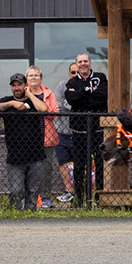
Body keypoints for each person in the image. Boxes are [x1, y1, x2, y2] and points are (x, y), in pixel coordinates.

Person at [0, 73, 48, 210]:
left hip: (36, 155)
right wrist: (12, 103)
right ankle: (15, 216)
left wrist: (30, 95)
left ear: (25, 85)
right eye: (14, 85)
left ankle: (30, 216)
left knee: (33, 191)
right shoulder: (7, 101)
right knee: (16, 191)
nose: (16, 88)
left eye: (19, 85)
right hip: (15, 158)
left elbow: (44, 109)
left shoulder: (33, 101)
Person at [65, 52, 108, 208]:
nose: (83, 64)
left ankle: (98, 199)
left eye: (85, 61)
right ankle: (79, 199)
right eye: (79, 62)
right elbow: (71, 100)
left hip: (97, 131)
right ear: (76, 64)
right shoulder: (71, 82)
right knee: (78, 167)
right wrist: (89, 91)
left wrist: (81, 95)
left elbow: (102, 98)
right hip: (79, 132)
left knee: (100, 166)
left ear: (90, 63)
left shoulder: (100, 77)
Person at [26, 66, 60, 207]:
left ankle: (45, 198)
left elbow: (54, 113)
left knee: (46, 169)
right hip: (27, 139)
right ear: (26, 78)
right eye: (30, 75)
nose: (33, 77)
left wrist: (32, 97)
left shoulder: (47, 93)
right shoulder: (22, 92)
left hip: (46, 137)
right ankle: (28, 198)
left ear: (41, 78)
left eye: (36, 75)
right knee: (28, 169)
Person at [53, 63, 77, 203]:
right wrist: (72, 107)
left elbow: (83, 107)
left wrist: (65, 103)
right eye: (72, 72)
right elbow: (56, 106)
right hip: (61, 132)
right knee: (63, 162)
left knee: (81, 162)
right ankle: (69, 190)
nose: (74, 75)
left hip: (78, 133)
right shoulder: (62, 85)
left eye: (77, 72)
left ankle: (81, 190)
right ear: (69, 74)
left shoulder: (83, 86)